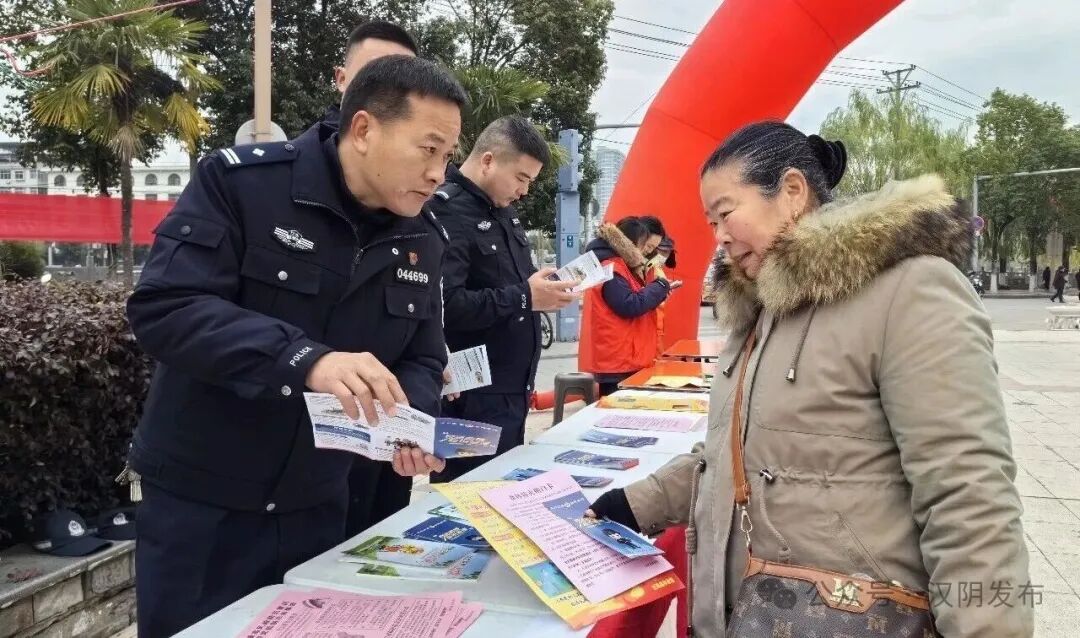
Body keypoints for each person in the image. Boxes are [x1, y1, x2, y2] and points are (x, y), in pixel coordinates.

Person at [588, 122, 1031, 637]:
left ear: (793, 192)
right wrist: (634, 503)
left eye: (726, 213)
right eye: (711, 222)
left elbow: (969, 496)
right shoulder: (759, 310)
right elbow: (733, 457)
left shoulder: (909, 290)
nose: (719, 236)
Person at [125, 55, 467, 637]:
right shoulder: (243, 185)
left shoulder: (423, 238)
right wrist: (306, 359)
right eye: (427, 150)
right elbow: (167, 307)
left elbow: (424, 354)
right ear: (364, 129)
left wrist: (408, 420)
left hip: (317, 504)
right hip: (203, 504)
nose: (438, 174)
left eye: (448, 156)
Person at [429, 115, 578, 482]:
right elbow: (447, 306)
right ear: (488, 160)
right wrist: (525, 297)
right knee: (466, 496)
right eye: (521, 178)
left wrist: (542, 288)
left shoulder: (504, 213)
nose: (524, 191)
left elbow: (515, 283)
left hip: (512, 391)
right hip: (472, 396)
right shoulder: (446, 210)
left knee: (501, 493)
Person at [579, 216, 681, 397]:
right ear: (631, 242)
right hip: (618, 360)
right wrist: (659, 286)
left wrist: (657, 292)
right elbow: (629, 305)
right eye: (645, 246)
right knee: (617, 410)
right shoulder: (611, 268)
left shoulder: (621, 266)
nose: (646, 252)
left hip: (625, 357)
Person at [316, 20, 419, 131]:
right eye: (374, 76)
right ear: (342, 79)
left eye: (404, 82)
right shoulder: (310, 142)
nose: (390, 92)